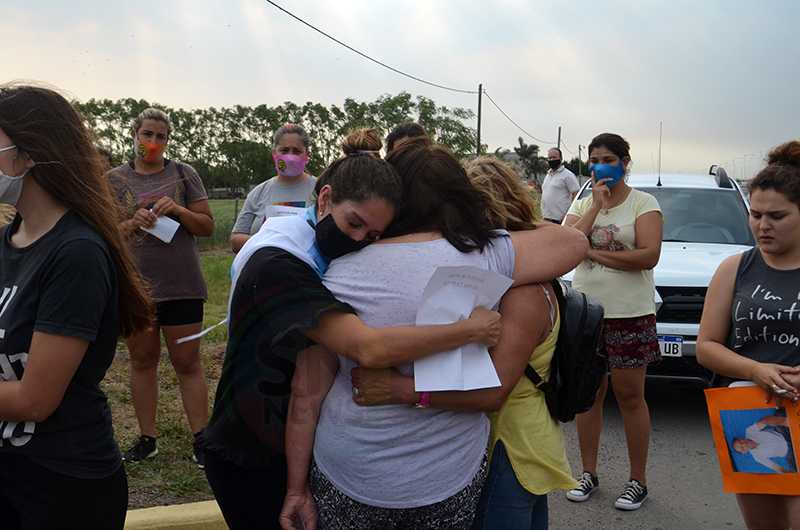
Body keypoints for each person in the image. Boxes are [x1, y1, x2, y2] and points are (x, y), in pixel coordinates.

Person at [198, 129, 505, 530]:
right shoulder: (281, 263)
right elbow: (369, 348)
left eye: (373, 235)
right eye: (354, 223)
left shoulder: (310, 246)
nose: (358, 240)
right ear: (325, 198)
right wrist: (469, 330)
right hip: (252, 449)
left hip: (280, 439)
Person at [280, 143, 589, 530]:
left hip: (351, 470)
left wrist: (296, 489)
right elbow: (574, 242)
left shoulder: (334, 271)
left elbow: (306, 391)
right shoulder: (488, 256)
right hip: (446, 473)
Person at [0, 83, 152, 529]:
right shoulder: (5, 241)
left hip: (61, 483)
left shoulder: (77, 252)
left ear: (29, 154)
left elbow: (34, 399)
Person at [697, 140, 800, 529]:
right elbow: (707, 347)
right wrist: (755, 370)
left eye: (777, 215)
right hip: (746, 411)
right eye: (755, 214)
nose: (762, 225)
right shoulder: (735, 268)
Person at [107, 108, 214, 467]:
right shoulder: (114, 180)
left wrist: (179, 211)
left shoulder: (184, 174)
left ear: (168, 140)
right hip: (137, 288)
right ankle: (147, 439)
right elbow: (105, 235)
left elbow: (206, 227)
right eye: (147, 134)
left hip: (182, 285)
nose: (152, 143)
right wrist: (131, 222)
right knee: (141, 361)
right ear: (133, 134)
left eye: (160, 137)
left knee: (188, 364)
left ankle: (202, 439)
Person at [563, 133, 663, 511]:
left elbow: (648, 256)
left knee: (629, 396)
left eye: (607, 158)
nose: (599, 165)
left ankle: (638, 480)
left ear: (624, 163)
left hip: (630, 314)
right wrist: (596, 206)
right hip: (587, 313)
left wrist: (591, 251)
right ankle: (588, 473)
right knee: (589, 396)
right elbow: (566, 245)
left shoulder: (644, 203)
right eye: (593, 160)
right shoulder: (584, 203)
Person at [230, 123, 318, 253]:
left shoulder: (321, 190)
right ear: (274, 153)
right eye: (284, 150)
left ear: (307, 155)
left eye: (297, 151)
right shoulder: (257, 193)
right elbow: (236, 240)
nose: (291, 157)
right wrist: (269, 242)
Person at [541, 147, 580, 224]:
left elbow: (577, 195)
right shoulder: (548, 174)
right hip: (546, 218)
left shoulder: (568, 175)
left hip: (560, 219)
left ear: (561, 159)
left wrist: (569, 214)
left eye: (554, 157)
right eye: (550, 157)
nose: (552, 160)